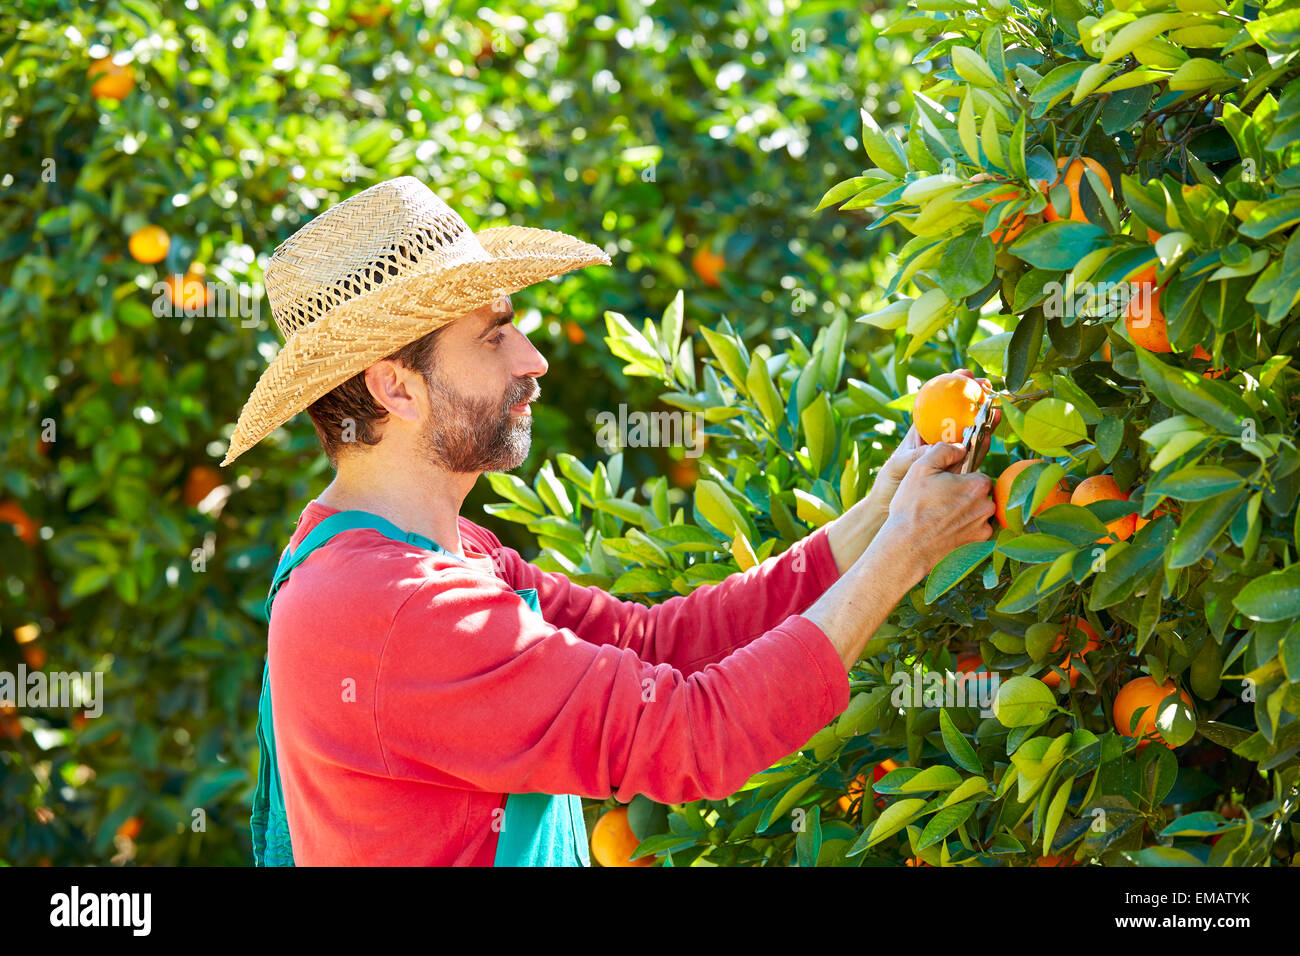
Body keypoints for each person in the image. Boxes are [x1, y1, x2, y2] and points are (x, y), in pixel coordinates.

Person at [223, 176, 996, 866]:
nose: (533, 359)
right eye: (494, 336)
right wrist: (904, 551)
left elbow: (653, 643)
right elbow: (693, 735)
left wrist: (880, 511)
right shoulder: (394, 605)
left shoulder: (447, 558)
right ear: (396, 388)